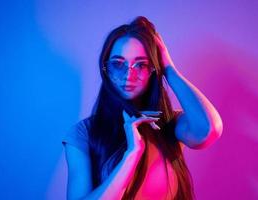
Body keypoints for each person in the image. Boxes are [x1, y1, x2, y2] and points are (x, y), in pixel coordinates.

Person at [62, 16, 223, 200]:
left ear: (153, 69)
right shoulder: (83, 133)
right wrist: (132, 154)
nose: (128, 75)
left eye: (141, 64)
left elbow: (209, 130)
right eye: (118, 64)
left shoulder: (170, 124)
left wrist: (169, 69)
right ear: (105, 68)